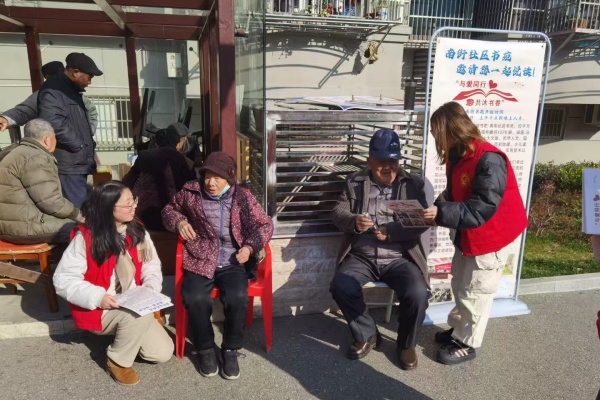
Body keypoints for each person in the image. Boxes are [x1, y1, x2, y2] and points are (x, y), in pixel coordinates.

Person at [421, 101, 528, 365]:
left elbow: (482, 206)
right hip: (469, 233)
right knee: (460, 284)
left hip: (490, 236)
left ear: (451, 130)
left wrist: (440, 213)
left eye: (437, 133)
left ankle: (467, 343)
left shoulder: (489, 159)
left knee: (476, 289)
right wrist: (437, 208)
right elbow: (455, 192)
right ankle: (460, 330)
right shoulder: (459, 155)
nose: (436, 140)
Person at [162, 151, 273, 380]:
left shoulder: (242, 196)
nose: (210, 183)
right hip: (201, 257)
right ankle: (205, 349)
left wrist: (249, 247)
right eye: (207, 177)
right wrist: (179, 222)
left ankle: (230, 349)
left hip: (233, 259)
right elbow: (168, 210)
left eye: (217, 178)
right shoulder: (191, 192)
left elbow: (265, 225)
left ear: (229, 178)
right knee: (194, 297)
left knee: (237, 297)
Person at [53, 180, 173, 386]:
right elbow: (63, 279)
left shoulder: (137, 230)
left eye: (133, 201)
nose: (133, 207)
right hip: (102, 307)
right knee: (137, 315)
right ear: (108, 208)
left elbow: (151, 264)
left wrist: (151, 286)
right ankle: (118, 360)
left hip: (133, 300)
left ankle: (127, 333)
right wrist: (99, 297)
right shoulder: (87, 238)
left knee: (161, 353)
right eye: (127, 204)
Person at [329, 129, 431, 370]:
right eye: (381, 161)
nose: (388, 167)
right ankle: (367, 333)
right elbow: (337, 212)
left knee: (418, 293)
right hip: (362, 255)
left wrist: (392, 232)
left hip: (399, 256)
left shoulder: (412, 184)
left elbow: (422, 221)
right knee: (341, 285)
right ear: (369, 161)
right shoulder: (355, 182)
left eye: (393, 161)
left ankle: (406, 344)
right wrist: (354, 221)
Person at [0, 119, 83, 244]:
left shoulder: (16, 152)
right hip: (26, 227)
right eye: (55, 137)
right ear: (47, 139)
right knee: (83, 230)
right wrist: (77, 214)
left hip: (10, 226)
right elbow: (51, 202)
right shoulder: (35, 157)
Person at [38, 53, 103, 209]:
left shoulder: (71, 90)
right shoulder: (54, 90)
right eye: (89, 77)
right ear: (75, 72)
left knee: (85, 207)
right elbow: (53, 122)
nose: (90, 82)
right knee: (79, 211)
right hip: (70, 162)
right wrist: (78, 145)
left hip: (78, 161)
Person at [122, 128, 196, 231]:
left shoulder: (145, 156)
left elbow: (127, 182)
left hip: (145, 216)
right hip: (176, 217)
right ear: (178, 143)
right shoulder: (187, 162)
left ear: (156, 143)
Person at [0, 61, 98, 135]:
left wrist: (86, 135)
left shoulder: (77, 95)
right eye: (54, 78)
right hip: (56, 148)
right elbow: (23, 111)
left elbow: (92, 113)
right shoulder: (43, 95)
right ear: (47, 78)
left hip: (81, 148)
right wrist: (6, 118)